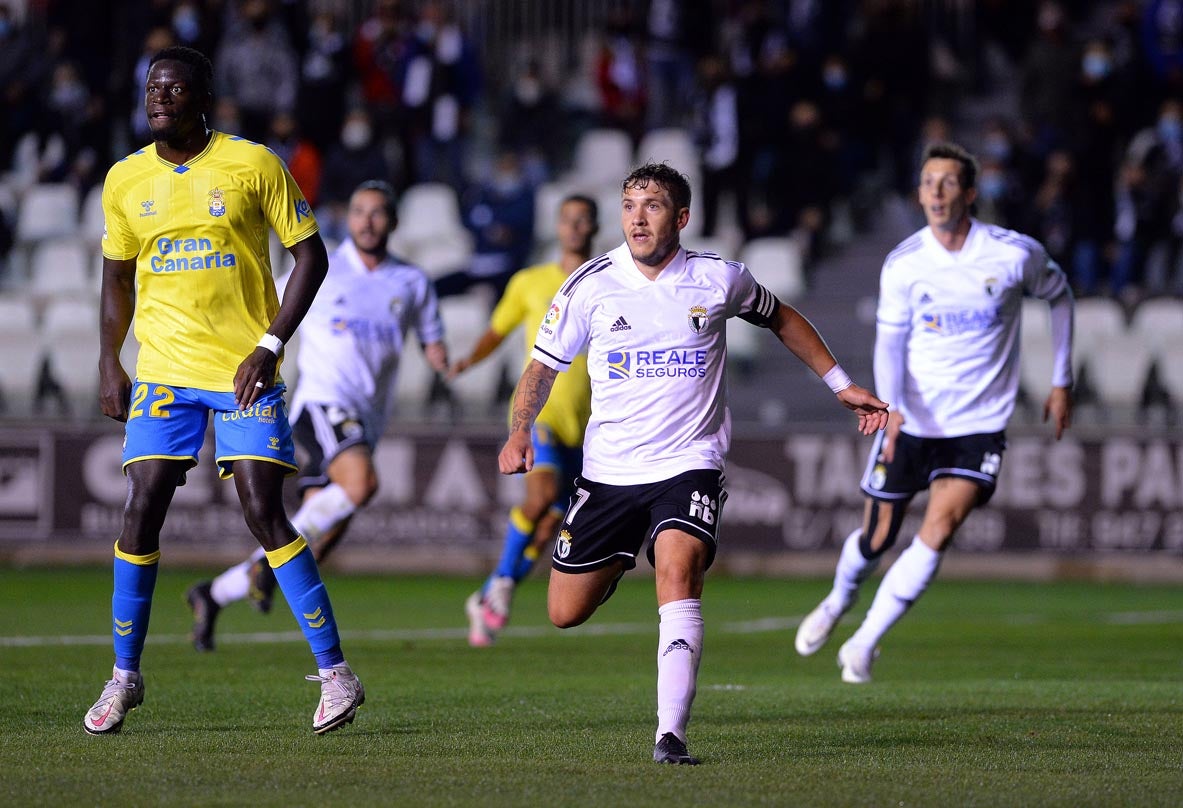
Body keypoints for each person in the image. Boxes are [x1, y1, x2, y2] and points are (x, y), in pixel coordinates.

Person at [497, 163, 888, 765]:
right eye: (629, 204)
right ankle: (612, 564)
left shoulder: (718, 279)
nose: (637, 216)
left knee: (678, 570)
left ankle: (670, 735)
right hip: (608, 474)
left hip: (689, 462)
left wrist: (841, 383)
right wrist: (520, 430)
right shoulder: (589, 285)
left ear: (680, 217)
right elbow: (543, 366)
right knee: (562, 613)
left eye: (652, 205)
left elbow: (781, 316)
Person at [86, 46, 363, 737]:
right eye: (153, 89)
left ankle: (336, 674)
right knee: (141, 503)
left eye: (174, 89)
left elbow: (312, 256)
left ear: (202, 97)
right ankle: (124, 677)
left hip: (245, 369)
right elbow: (117, 279)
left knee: (263, 511)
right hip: (165, 372)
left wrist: (269, 346)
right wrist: (108, 360)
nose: (160, 99)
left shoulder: (253, 164)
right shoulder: (124, 180)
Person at [794, 142, 1075, 683]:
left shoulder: (1013, 254)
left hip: (979, 425)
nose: (937, 192)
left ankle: (865, 642)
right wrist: (893, 408)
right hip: (914, 422)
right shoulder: (905, 264)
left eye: (948, 183)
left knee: (939, 529)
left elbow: (1060, 297)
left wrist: (1062, 380)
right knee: (876, 538)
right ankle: (837, 600)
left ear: (970, 193)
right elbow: (890, 345)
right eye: (928, 182)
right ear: (919, 193)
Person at [186, 179, 448, 648]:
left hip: (365, 419)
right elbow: (268, 316)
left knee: (324, 528)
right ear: (348, 219)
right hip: (321, 404)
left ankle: (214, 592)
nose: (368, 221)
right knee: (362, 485)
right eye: (359, 211)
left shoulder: (411, 282)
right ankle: (260, 572)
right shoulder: (323, 269)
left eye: (378, 212)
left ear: (393, 221)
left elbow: (434, 346)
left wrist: (456, 361)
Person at [451, 194, 598, 647]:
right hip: (541, 411)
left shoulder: (609, 282)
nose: (574, 227)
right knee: (545, 493)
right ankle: (499, 582)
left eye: (582, 220)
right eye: (567, 219)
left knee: (556, 521)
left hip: (587, 421)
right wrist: (465, 362)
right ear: (557, 226)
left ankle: (492, 592)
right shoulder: (530, 282)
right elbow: (497, 332)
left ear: (593, 226)